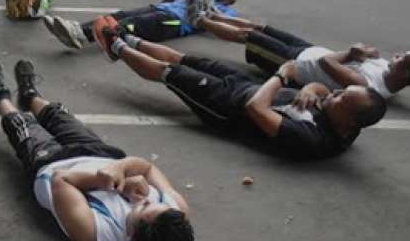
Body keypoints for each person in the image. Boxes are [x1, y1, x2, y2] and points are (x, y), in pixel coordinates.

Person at [0, 59, 194, 241]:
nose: (146, 199)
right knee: (58, 115)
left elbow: (61, 181)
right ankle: (30, 96)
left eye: (143, 207)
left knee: (20, 124)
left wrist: (110, 181)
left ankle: (0, 98)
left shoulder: (98, 240)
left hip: (53, 164)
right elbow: (147, 167)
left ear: (130, 235)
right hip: (100, 154)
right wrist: (119, 167)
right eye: (155, 203)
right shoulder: (175, 212)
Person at [94, 20, 388, 160]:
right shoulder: (348, 121)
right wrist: (312, 87)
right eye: (340, 92)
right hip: (247, 85)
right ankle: (128, 39)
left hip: (227, 107)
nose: (334, 94)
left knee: (168, 72)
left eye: (341, 97)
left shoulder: (312, 140)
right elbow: (321, 89)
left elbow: (255, 109)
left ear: (348, 119)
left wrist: (282, 76)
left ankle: (115, 45)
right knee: (182, 57)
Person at [188, 11, 410, 101]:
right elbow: (364, 55)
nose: (395, 55)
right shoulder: (386, 71)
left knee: (248, 37)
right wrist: (364, 52)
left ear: (405, 74)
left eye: (401, 58)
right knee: (260, 27)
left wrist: (353, 52)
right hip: (307, 48)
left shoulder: (368, 87)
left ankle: (198, 20)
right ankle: (213, 13)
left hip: (298, 64)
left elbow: (325, 63)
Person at [43, 0, 243, 51]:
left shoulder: (228, 11)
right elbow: (162, 2)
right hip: (161, 9)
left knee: (132, 24)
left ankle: (81, 36)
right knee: (120, 15)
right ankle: (76, 29)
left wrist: (209, 10)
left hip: (174, 24)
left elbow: (221, 25)